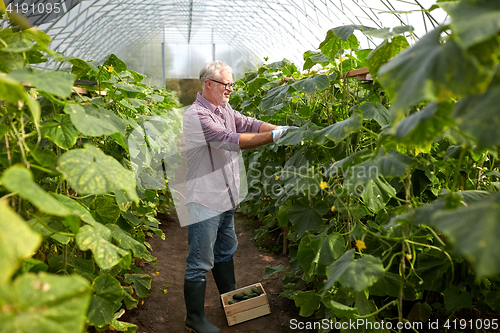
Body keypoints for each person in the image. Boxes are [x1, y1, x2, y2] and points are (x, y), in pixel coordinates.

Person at [182, 60, 294, 333]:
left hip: (226, 196)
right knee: (199, 261)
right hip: (204, 199)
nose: (230, 89)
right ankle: (194, 319)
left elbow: (250, 124)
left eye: (232, 84)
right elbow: (232, 139)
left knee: (224, 251)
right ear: (208, 84)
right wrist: (275, 138)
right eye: (226, 84)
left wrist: (279, 128)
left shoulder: (224, 108)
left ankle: (229, 297)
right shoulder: (197, 115)